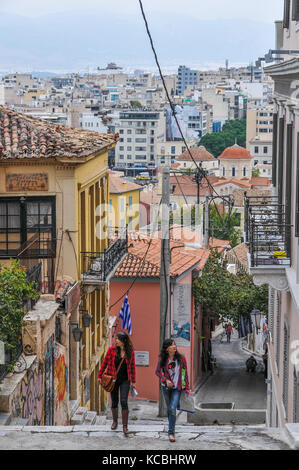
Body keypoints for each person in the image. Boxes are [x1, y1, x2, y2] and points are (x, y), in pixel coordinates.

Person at [98, 331, 136, 435]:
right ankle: (115, 422)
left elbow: (132, 367)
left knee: (124, 401)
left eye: (118, 339)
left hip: (125, 380)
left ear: (124, 341)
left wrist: (133, 381)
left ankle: (125, 426)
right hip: (112, 379)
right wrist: (99, 375)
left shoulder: (130, 352)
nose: (116, 341)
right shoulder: (111, 350)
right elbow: (104, 363)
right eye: (116, 339)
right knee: (114, 401)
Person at [155, 338, 190, 443]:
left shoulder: (181, 358)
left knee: (172, 407)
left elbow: (184, 372)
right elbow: (157, 372)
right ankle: (171, 429)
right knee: (170, 410)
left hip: (177, 388)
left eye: (175, 344)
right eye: (171, 345)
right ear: (167, 349)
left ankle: (171, 433)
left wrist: (186, 386)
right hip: (166, 388)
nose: (174, 346)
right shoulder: (162, 359)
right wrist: (165, 380)